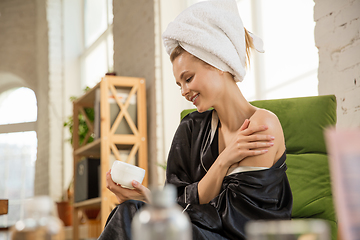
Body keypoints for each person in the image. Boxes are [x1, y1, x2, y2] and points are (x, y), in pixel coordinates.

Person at [98, 0, 292, 239]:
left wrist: (164, 204)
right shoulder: (191, 129)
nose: (183, 91)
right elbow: (175, 201)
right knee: (130, 209)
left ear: (218, 62)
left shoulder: (261, 124)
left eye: (188, 78)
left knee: (135, 215)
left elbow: (238, 219)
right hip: (198, 232)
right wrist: (223, 161)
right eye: (179, 84)